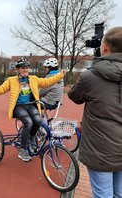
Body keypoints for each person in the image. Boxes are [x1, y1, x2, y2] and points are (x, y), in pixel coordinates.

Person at [68, 26, 122, 198]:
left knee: (103, 194)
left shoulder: (91, 76)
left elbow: (74, 96)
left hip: (101, 148)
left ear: (104, 47)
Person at [0, 57, 65, 162]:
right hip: (18, 107)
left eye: (26, 68)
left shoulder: (33, 79)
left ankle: (30, 137)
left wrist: (59, 75)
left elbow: (47, 81)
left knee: (38, 120)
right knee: (28, 122)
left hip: (30, 105)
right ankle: (22, 149)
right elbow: (1, 90)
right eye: (22, 68)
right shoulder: (11, 80)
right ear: (18, 69)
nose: (25, 70)